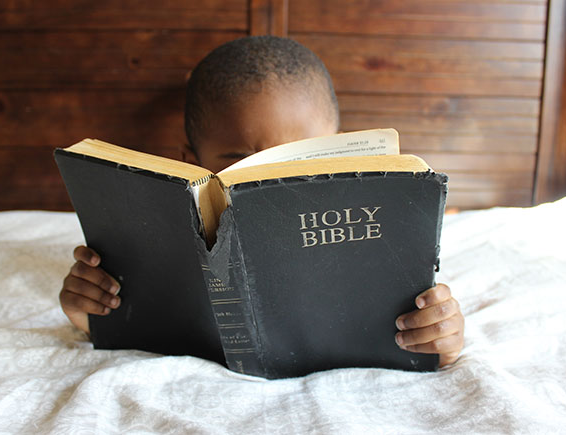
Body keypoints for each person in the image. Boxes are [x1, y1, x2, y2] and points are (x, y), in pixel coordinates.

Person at [59, 36, 465, 368]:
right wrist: (92, 314)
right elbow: (143, 322)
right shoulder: (162, 240)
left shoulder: (377, 232)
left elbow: (425, 330)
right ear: (191, 162)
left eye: (303, 158)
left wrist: (440, 339)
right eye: (241, 163)